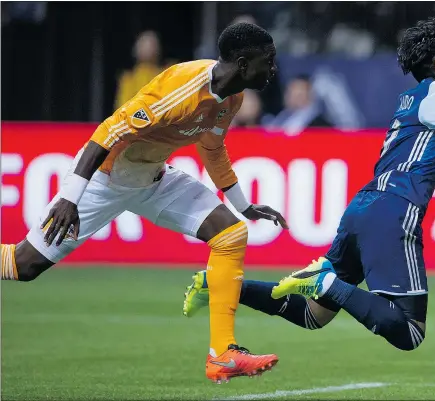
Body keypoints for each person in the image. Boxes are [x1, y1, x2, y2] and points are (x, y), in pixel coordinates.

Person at [183, 18, 435, 353]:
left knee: (311, 315)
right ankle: (325, 280)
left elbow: (427, 164)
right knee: (409, 332)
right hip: (393, 212)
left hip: (364, 209)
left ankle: (218, 284)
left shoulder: (411, 100)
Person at [0, 22, 288, 383]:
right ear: (244, 64)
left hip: (153, 178)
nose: (273, 69)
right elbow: (107, 132)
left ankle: (223, 355)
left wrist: (242, 204)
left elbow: (212, 149)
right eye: (269, 60)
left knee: (231, 233)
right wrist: (70, 199)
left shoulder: (233, 97)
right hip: (106, 179)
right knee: (23, 265)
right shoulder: (181, 88)